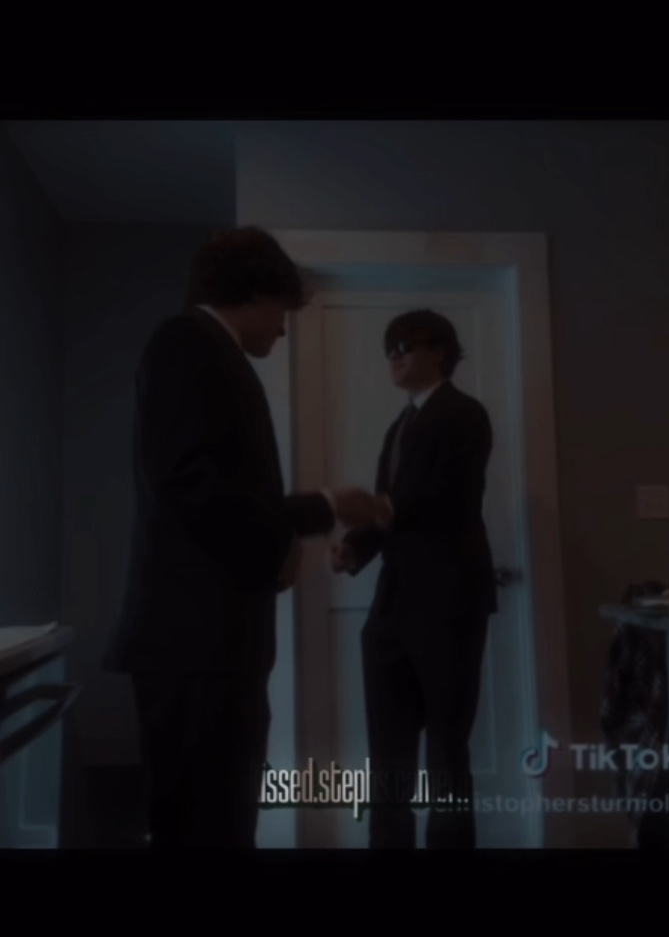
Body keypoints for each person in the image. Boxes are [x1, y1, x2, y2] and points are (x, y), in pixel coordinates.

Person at [104, 226, 384, 848]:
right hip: (194, 644)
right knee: (205, 828)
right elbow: (188, 485)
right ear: (257, 290)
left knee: (221, 823)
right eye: (282, 310)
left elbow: (215, 493)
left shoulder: (209, 351)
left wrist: (288, 537)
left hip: (209, 644)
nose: (283, 331)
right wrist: (316, 514)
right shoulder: (186, 342)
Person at [330, 310, 497, 848]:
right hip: (393, 605)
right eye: (389, 348)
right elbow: (391, 510)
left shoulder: (464, 414)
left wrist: (378, 509)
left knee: (446, 747)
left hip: (449, 603)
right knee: (388, 748)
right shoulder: (398, 427)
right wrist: (355, 547)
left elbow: (451, 496)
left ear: (439, 351)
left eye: (406, 345)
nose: (394, 355)